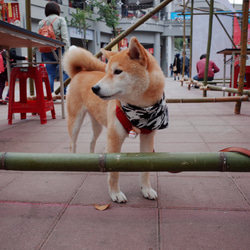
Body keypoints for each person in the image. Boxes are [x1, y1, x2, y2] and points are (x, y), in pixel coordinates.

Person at [38, 1, 69, 94]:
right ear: (57, 10)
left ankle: (50, 94)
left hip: (46, 50)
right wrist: (67, 51)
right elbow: (64, 37)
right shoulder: (60, 20)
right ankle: (62, 92)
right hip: (58, 49)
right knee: (65, 71)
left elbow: (38, 37)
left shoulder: (41, 22)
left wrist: (33, 51)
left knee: (50, 74)